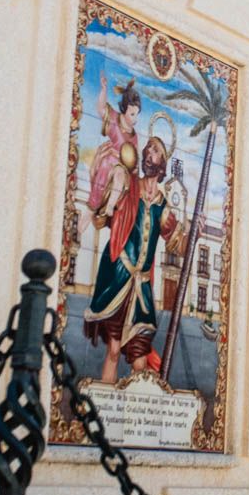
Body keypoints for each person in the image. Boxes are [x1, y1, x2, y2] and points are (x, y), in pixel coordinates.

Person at [83, 135, 188, 383]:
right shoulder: (128, 186)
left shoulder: (162, 206)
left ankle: (132, 416)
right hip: (118, 276)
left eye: (155, 151)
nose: (149, 152)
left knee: (140, 359)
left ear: (162, 163)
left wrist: (195, 233)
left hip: (141, 287)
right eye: (148, 148)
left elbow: (176, 242)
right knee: (114, 350)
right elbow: (104, 213)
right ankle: (103, 412)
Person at [79, 71, 141, 238]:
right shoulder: (114, 119)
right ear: (124, 110)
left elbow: (134, 160)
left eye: (137, 114)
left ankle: (110, 207)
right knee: (107, 164)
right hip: (109, 161)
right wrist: (104, 89)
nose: (135, 119)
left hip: (122, 169)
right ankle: (93, 206)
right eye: (132, 114)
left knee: (120, 175)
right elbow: (100, 109)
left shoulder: (134, 136)